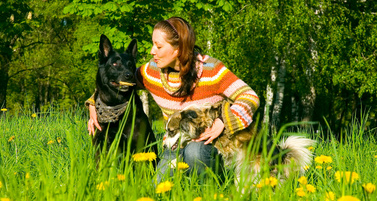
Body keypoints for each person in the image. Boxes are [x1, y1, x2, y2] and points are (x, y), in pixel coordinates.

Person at [87, 17, 260, 181]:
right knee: (156, 189)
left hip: (207, 146)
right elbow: (115, 81)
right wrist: (93, 103)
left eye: (158, 46)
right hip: (173, 147)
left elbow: (249, 96)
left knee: (195, 152)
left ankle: (207, 194)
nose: (151, 51)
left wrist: (223, 122)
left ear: (177, 50)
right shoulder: (152, 72)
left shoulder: (211, 70)